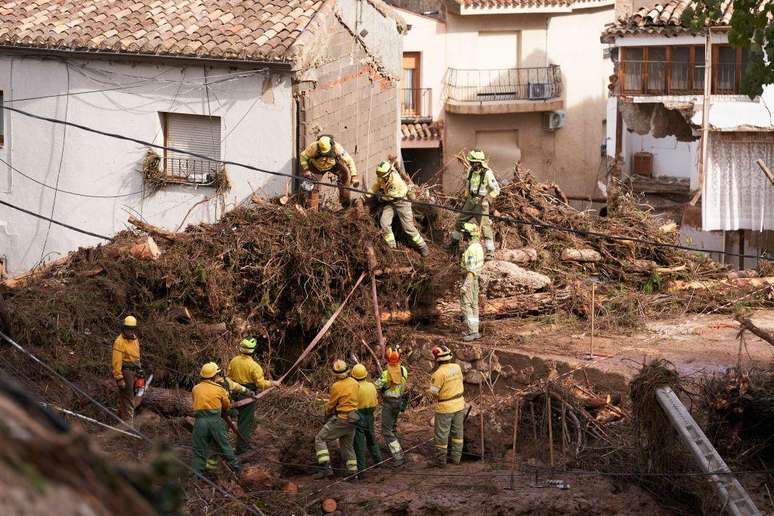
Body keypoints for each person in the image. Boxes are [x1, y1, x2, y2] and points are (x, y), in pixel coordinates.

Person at [227, 337, 280, 454]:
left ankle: (220, 445)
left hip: (233, 393)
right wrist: (273, 383)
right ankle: (242, 449)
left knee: (226, 419)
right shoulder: (254, 366)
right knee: (244, 423)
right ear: (253, 351)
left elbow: (228, 377)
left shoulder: (233, 361)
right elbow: (261, 384)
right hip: (248, 396)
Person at [368, 161, 429, 257]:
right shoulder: (383, 177)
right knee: (384, 222)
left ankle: (422, 246)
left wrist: (380, 197)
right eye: (378, 174)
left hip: (402, 202)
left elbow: (390, 196)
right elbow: (376, 185)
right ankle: (392, 246)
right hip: (392, 203)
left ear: (388, 174)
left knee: (408, 228)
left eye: (381, 175)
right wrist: (366, 195)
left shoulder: (395, 181)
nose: (379, 177)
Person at [449, 149, 500, 261]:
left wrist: (487, 198)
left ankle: (490, 252)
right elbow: (468, 183)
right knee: (459, 222)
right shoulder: (470, 170)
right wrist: (466, 196)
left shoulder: (487, 173)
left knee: (485, 227)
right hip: (470, 201)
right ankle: (454, 244)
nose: (471, 164)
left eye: (473, 162)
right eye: (471, 162)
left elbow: (497, 189)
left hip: (481, 203)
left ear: (479, 162)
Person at [314, 359, 361, 479]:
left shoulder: (336, 386)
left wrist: (326, 414)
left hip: (342, 419)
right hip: (354, 419)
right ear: (347, 370)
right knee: (347, 446)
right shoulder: (355, 382)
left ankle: (326, 468)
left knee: (320, 438)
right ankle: (353, 474)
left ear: (335, 373)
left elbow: (331, 405)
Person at [191, 362, 240, 475]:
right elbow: (227, 406)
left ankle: (197, 475)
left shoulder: (195, 388)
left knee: (199, 449)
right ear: (214, 376)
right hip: (215, 421)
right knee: (224, 445)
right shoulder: (219, 389)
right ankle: (236, 468)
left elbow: (195, 402)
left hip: (200, 423)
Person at [428, 346, 465, 468]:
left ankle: (440, 462)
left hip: (445, 408)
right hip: (459, 404)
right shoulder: (457, 367)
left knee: (441, 435)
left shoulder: (438, 374)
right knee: (457, 433)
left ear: (437, 359)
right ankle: (456, 459)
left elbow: (434, 392)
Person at [299, 135, 359, 209]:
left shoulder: (337, 148)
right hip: (316, 167)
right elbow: (303, 156)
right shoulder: (313, 147)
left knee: (345, 174)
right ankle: (312, 209)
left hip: (333, 165)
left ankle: (345, 202)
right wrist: (306, 170)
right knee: (314, 186)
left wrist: (354, 175)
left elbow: (349, 160)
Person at [374, 346, 408, 466]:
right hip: (399, 402)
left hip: (389, 403)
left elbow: (375, 386)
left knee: (386, 431)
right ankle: (398, 449)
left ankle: (398, 456)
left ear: (387, 359)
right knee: (392, 427)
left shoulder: (385, 374)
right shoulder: (404, 370)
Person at [351, 363, 383, 475]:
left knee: (359, 444)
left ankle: (361, 470)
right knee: (371, 439)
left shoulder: (354, 387)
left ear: (353, 376)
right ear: (365, 374)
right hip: (370, 415)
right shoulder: (371, 386)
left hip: (358, 416)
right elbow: (376, 401)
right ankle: (379, 462)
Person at [111, 315, 142, 421]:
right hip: (126, 372)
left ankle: (119, 418)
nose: (130, 331)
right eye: (128, 328)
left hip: (135, 370)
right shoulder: (119, 342)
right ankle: (128, 426)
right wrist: (119, 378)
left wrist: (139, 370)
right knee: (128, 398)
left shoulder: (135, 339)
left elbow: (136, 355)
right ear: (123, 328)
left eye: (132, 329)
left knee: (134, 396)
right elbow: (116, 361)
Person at [460, 222, 484, 342]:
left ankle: (472, 331)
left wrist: (465, 285)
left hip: (470, 279)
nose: (462, 236)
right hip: (476, 280)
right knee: (474, 306)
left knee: (466, 305)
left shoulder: (471, 249)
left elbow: (471, 270)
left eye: (464, 234)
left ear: (468, 235)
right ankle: (475, 330)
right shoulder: (479, 247)